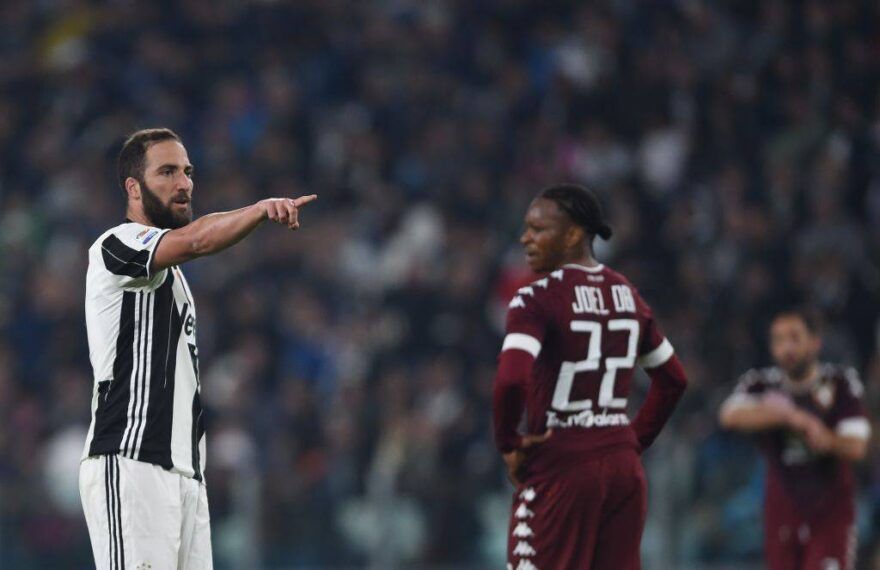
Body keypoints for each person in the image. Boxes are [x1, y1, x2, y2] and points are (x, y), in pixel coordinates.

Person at [79, 128, 316, 570]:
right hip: (132, 463)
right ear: (133, 187)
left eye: (187, 172)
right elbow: (197, 240)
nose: (184, 183)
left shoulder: (177, 280)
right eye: (167, 171)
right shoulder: (115, 245)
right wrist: (260, 210)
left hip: (186, 475)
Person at [492, 183, 688, 570]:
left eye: (538, 229)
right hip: (623, 471)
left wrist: (509, 443)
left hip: (562, 465)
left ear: (574, 235)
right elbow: (673, 380)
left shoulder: (536, 298)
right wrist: (629, 442)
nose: (524, 238)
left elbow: (511, 380)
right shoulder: (627, 294)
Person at [719, 309, 871, 570]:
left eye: (794, 337)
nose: (786, 347)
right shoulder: (762, 383)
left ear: (815, 342)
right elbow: (729, 415)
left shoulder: (840, 383)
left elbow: (857, 446)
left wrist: (827, 440)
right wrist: (791, 417)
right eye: (778, 340)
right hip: (782, 514)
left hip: (830, 515)